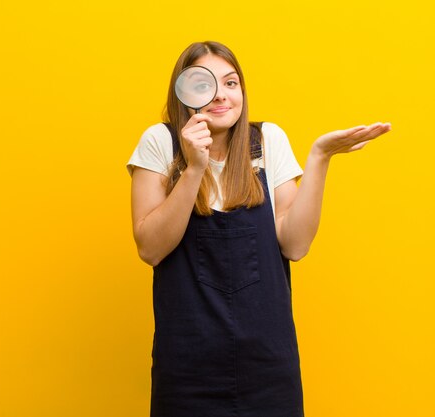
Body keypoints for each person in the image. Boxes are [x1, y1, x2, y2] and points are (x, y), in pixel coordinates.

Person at [126, 41, 391, 417]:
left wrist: (320, 157)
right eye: (206, 85)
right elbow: (150, 248)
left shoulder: (267, 141)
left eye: (231, 83)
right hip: (187, 367)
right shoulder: (160, 141)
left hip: (268, 365)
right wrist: (195, 169)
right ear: (183, 94)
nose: (221, 95)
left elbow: (295, 245)